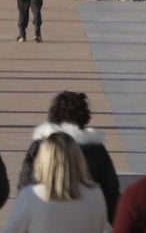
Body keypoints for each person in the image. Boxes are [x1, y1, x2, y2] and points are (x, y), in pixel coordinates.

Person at [19, 91, 122, 222]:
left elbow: (25, 183)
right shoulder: (96, 150)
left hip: (45, 219)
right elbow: (110, 191)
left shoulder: (40, 145)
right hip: (86, 222)